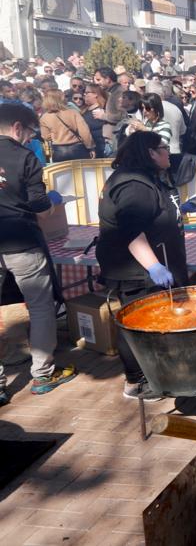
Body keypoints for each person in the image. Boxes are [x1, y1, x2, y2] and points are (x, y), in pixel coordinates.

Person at [96, 132, 196, 398]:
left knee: (153, 325)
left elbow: (151, 212)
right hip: (137, 272)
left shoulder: (146, 179)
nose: (169, 152)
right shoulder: (133, 185)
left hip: (151, 265)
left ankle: (159, 375)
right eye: (164, 148)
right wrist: (154, 267)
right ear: (151, 153)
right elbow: (132, 230)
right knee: (137, 326)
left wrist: (179, 209)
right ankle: (137, 382)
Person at [0, 103, 77, 401]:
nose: (31, 138)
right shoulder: (25, 157)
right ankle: (43, 375)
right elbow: (41, 210)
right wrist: (54, 202)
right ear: (18, 127)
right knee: (42, 307)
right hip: (23, 242)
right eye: (31, 132)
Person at [38, 89, 94, 162]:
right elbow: (84, 132)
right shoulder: (73, 113)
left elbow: (46, 137)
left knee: (63, 173)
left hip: (58, 150)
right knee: (82, 172)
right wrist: (90, 147)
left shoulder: (44, 117)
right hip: (77, 148)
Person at [82, 83, 108, 155]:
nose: (85, 94)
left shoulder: (102, 110)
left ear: (95, 94)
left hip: (100, 147)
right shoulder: (85, 109)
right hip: (90, 147)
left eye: (87, 92)